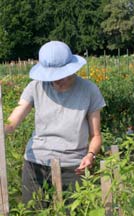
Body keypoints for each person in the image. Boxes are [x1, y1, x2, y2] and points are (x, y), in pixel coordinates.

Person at [4, 40, 106, 206]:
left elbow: (95, 136)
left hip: (73, 166)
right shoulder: (35, 87)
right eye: (52, 76)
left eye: (61, 75)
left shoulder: (89, 90)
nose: (57, 80)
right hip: (36, 164)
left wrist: (90, 155)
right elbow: (12, 123)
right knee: (33, 211)